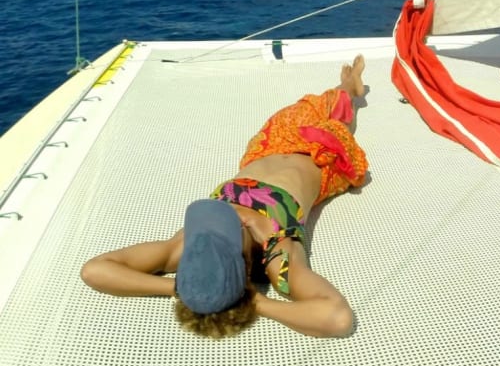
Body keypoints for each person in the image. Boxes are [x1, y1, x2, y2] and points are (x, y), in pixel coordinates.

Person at [81, 55, 369, 338]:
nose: (229, 218)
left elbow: (94, 271)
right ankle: (351, 88)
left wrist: (184, 288)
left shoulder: (187, 248)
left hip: (267, 147)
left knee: (303, 108)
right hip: (322, 157)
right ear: (243, 263)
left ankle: (344, 85)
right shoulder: (278, 256)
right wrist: (254, 302)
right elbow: (337, 318)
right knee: (338, 119)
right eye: (228, 230)